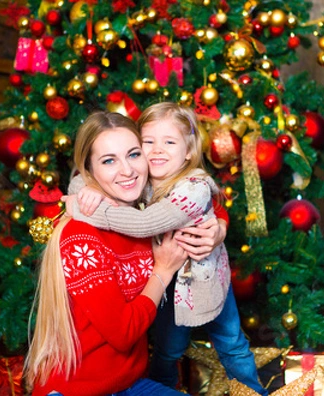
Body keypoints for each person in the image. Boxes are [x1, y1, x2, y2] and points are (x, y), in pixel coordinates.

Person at [65, 103, 267, 395]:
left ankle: (253, 392)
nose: (157, 150)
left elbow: (146, 223)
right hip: (168, 286)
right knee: (168, 350)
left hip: (209, 280)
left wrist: (85, 211)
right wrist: (84, 193)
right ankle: (162, 388)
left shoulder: (193, 186)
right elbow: (81, 179)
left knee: (232, 343)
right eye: (147, 143)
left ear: (188, 151)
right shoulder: (140, 181)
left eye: (169, 142)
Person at [24, 112, 190, 396]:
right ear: (89, 171)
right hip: (74, 390)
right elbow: (123, 333)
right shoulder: (79, 236)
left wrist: (219, 228)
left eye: (134, 154)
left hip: (129, 384)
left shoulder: (144, 220)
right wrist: (163, 272)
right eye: (109, 161)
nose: (127, 171)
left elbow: (199, 196)